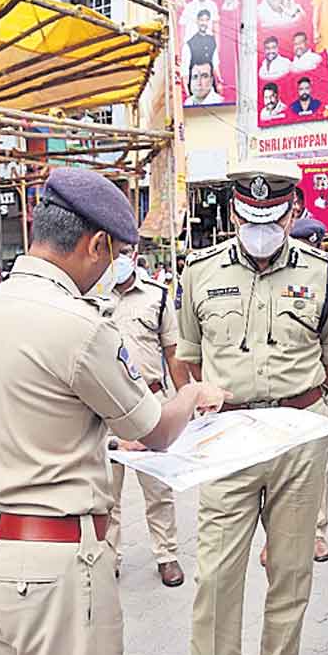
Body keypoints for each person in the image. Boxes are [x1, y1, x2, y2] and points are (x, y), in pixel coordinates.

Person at [0, 168, 228, 655]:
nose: (109, 269)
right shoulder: (78, 325)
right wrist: (195, 391)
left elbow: (37, 413)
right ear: (96, 243)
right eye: (114, 253)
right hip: (53, 564)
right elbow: (156, 430)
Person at [180, 159, 328, 655]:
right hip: (227, 437)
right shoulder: (198, 272)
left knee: (292, 571)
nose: (259, 226)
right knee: (216, 578)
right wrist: (202, 408)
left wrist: (296, 409)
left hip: (299, 436)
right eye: (249, 215)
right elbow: (186, 358)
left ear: (293, 211)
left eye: (272, 215)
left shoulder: (326, 274)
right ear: (233, 210)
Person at [90, 246, 192, 588]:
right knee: (107, 491)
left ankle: (166, 555)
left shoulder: (157, 297)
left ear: (134, 254)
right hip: (105, 407)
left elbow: (172, 352)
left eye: (124, 251)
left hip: (151, 403)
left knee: (158, 487)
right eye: (112, 251)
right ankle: (110, 557)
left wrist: (184, 398)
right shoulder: (91, 296)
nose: (118, 258)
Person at [290, 218, 328, 562]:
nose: (312, 250)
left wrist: (320, 386)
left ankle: (317, 529)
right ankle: (278, 535)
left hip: (319, 383)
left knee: (320, 457)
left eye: (316, 245)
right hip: (279, 384)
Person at [182, 9, 220, 87]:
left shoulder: (212, 40)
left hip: (209, 84)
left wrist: (219, 78)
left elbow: (215, 63)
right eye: (201, 20)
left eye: (206, 20)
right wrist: (187, 89)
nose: (204, 23)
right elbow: (185, 68)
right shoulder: (189, 43)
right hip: (195, 85)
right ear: (197, 21)